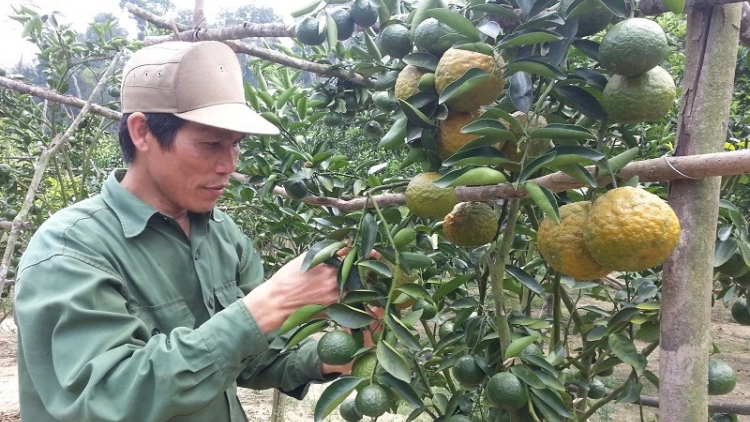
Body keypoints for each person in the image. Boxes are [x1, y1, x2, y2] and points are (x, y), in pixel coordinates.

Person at [14, 41, 364, 421]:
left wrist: (342, 352)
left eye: (236, 146)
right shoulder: (69, 249)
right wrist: (270, 303)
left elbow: (253, 357)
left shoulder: (222, 235)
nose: (228, 165)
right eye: (211, 144)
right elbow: (106, 397)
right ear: (142, 132)